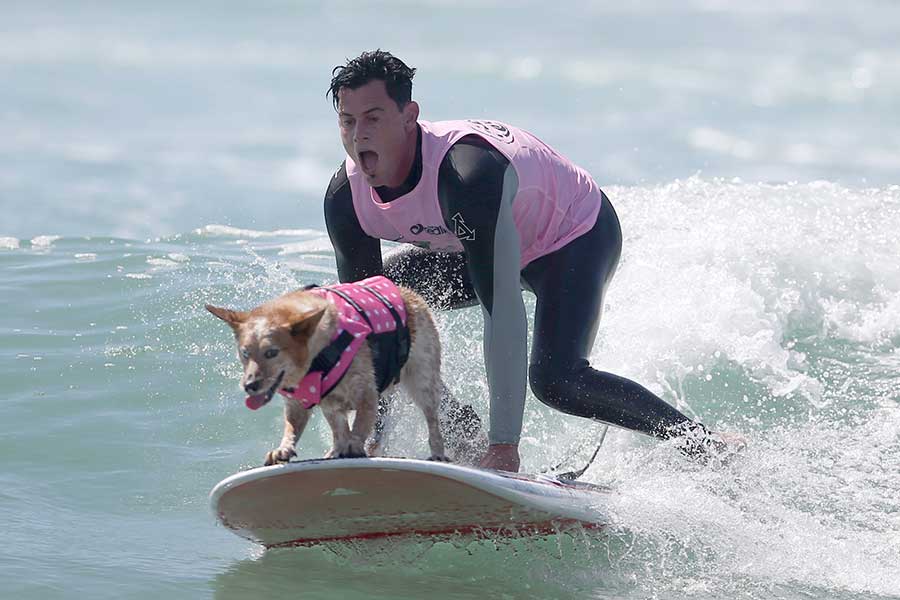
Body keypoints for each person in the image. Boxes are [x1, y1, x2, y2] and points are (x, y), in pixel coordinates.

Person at [321, 50, 741, 472]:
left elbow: (501, 309)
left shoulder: (466, 175)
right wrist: (366, 438)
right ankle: (459, 429)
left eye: (373, 118)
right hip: (475, 244)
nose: (359, 136)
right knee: (376, 307)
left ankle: (702, 443)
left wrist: (504, 447)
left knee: (557, 381)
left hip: (573, 236)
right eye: (348, 121)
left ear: (410, 115)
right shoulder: (346, 199)